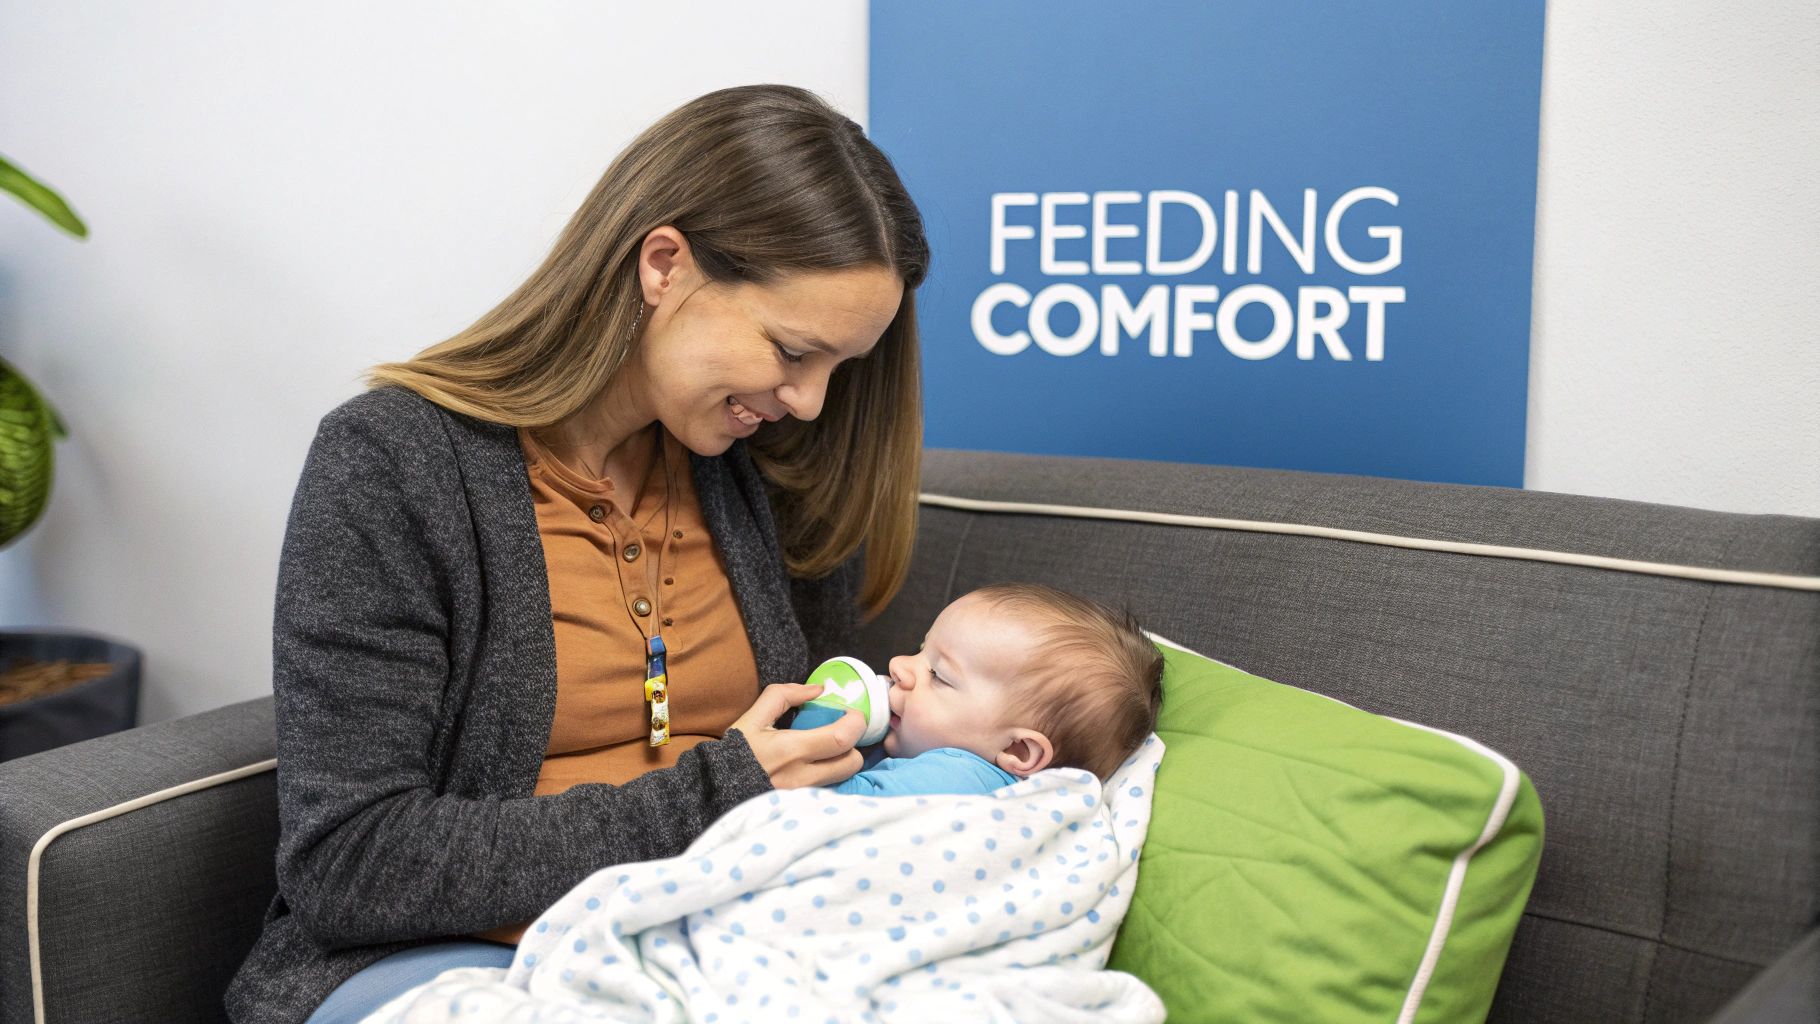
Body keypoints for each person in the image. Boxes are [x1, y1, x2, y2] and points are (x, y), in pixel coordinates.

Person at [225, 84, 930, 1024]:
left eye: (839, 367)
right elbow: (348, 863)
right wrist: (716, 794)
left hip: (725, 945)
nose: (808, 400)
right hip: (451, 965)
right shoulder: (395, 464)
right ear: (665, 265)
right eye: (793, 350)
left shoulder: (775, 472)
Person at [829, 583, 1164, 797]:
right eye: (921, 647)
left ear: (1018, 750)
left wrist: (820, 731)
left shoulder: (958, 779)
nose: (899, 664)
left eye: (937, 674)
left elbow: (825, 811)